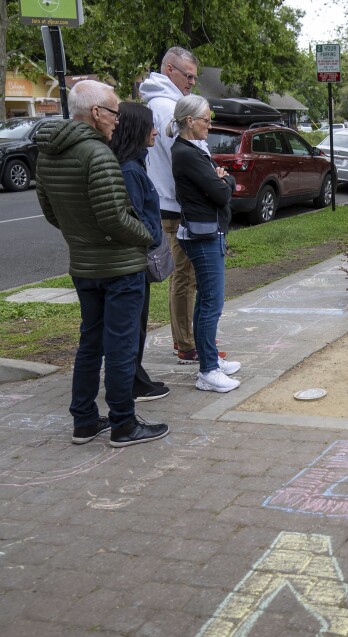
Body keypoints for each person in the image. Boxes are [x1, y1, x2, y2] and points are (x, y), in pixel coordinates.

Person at [35, 80, 169, 447]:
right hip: (119, 267)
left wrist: (81, 236)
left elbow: (51, 212)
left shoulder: (48, 154)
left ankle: (84, 421)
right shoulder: (97, 154)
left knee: (90, 343)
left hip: (83, 265)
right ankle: (124, 424)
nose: (116, 120)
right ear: (96, 113)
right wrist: (148, 236)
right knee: (121, 347)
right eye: (113, 112)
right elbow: (114, 218)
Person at [140, 47, 227, 365]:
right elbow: (184, 157)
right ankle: (188, 344)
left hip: (175, 203)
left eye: (194, 76)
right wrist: (211, 184)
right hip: (175, 207)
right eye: (187, 75)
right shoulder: (166, 107)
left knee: (190, 277)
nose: (192, 81)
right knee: (185, 277)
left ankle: (193, 341)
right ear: (169, 70)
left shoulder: (164, 103)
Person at [169, 95, 241, 393]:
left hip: (208, 230)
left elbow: (226, 182)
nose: (210, 126)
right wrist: (223, 181)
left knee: (205, 302)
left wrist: (223, 180)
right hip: (203, 234)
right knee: (212, 302)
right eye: (206, 121)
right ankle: (208, 371)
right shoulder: (186, 152)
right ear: (189, 121)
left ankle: (210, 360)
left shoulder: (195, 149)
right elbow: (223, 192)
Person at [109, 102, 170, 403]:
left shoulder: (136, 163)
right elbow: (132, 215)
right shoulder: (130, 170)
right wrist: (151, 237)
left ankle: (137, 377)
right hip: (133, 260)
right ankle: (132, 383)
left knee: (138, 325)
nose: (156, 131)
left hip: (136, 257)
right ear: (137, 130)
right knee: (133, 326)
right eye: (151, 125)